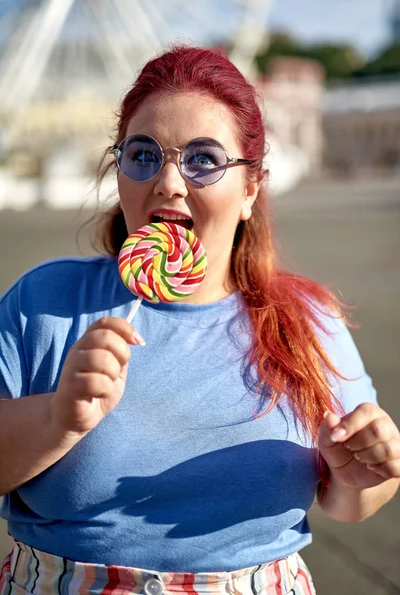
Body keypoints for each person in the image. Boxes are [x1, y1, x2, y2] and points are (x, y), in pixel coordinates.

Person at [0, 45, 399, 595]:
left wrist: (362, 480)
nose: (167, 182)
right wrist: (56, 418)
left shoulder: (309, 322)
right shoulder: (45, 302)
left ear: (251, 189)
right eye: (142, 154)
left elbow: (351, 502)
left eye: (203, 159)